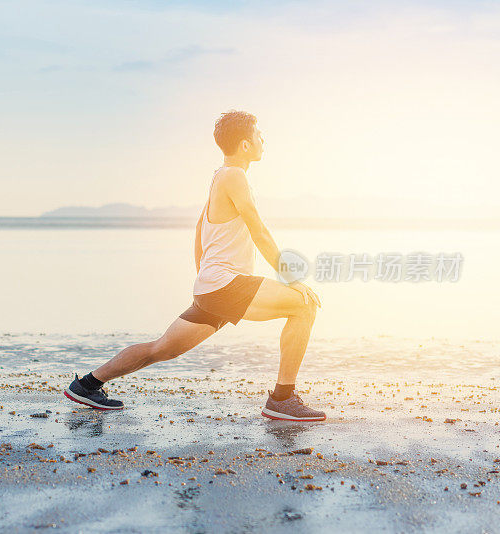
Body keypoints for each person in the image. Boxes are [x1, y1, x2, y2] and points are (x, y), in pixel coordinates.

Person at [63, 110, 325, 422]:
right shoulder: (234, 176)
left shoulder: (219, 176)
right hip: (225, 284)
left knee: (162, 349)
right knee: (303, 305)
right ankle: (282, 398)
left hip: (214, 286)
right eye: (259, 135)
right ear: (244, 144)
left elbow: (199, 229)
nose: (263, 140)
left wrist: (203, 276)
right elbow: (259, 231)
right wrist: (291, 279)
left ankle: (88, 384)